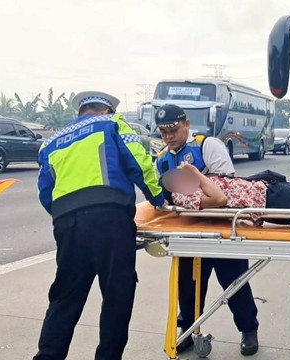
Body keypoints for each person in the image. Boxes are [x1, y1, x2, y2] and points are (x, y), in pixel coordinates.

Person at [35, 91, 166, 360]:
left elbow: (45, 191)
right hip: (110, 219)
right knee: (118, 293)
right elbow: (139, 162)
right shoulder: (114, 123)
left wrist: (66, 216)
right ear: (106, 110)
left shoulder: (51, 142)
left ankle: (47, 357)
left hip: (67, 224)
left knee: (65, 297)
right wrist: (160, 198)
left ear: (81, 112)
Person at [154, 104, 260, 355]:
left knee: (235, 283)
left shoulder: (207, 145)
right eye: (163, 132)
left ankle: (248, 330)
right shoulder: (161, 159)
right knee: (188, 286)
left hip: (221, 230)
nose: (169, 136)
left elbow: (226, 187)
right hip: (188, 232)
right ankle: (189, 331)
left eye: (174, 129)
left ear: (187, 124)